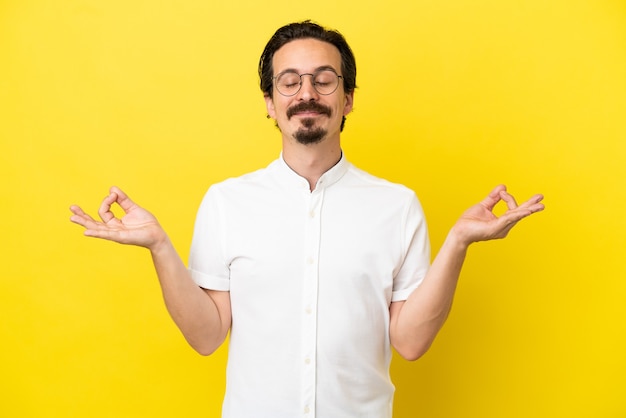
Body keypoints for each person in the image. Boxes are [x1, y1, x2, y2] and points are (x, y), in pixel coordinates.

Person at [70, 21, 544, 418]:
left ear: (348, 98)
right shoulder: (226, 201)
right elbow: (207, 335)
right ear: (270, 103)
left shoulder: (397, 206)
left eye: (324, 79)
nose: (307, 93)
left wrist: (459, 240)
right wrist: (159, 246)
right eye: (290, 81)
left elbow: (411, 342)